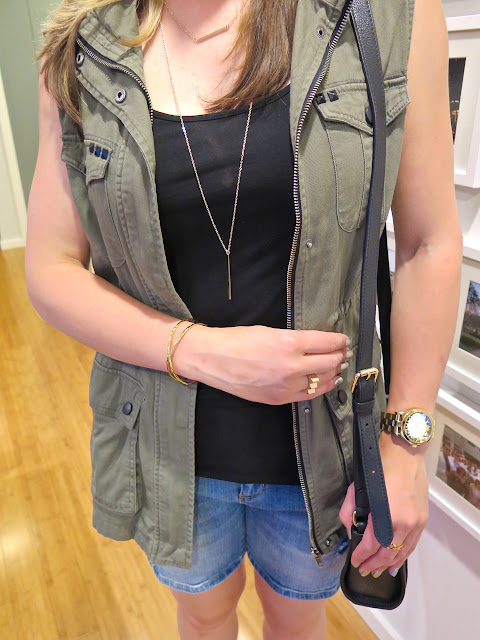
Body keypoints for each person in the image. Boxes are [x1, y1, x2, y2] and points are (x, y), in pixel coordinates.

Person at [26, 0, 462, 638]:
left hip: (326, 450)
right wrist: (203, 352)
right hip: (169, 450)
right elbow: (50, 269)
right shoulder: (83, 49)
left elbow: (429, 244)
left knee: (298, 622)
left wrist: (405, 446)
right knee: (203, 617)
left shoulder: (387, 15)